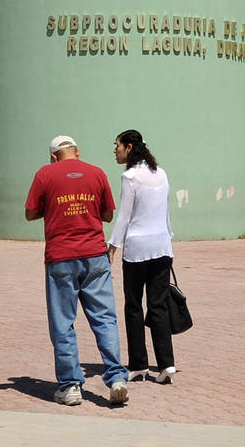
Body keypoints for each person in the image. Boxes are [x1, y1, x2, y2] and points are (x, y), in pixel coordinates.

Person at [25, 135, 129, 407]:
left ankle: (70, 386)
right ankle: (117, 378)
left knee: (63, 323)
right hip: (95, 255)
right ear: (77, 152)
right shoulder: (97, 173)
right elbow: (107, 215)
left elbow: (30, 213)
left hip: (61, 257)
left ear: (53, 156)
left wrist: (54, 208)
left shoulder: (45, 174)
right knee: (104, 319)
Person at [107, 129, 176, 384]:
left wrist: (112, 246)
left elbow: (124, 216)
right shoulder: (161, 173)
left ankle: (138, 365)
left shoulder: (130, 177)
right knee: (158, 306)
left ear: (128, 147)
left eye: (117, 146)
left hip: (137, 250)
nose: (115, 150)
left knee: (134, 307)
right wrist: (169, 238)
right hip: (162, 247)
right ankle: (167, 365)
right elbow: (166, 212)